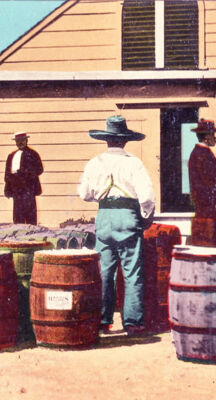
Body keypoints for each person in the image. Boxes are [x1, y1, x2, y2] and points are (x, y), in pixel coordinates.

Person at [77, 115, 155, 336]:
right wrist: (146, 216)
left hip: (104, 217)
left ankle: (103, 321)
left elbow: (83, 194)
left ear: (107, 140)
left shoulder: (95, 163)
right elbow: (147, 197)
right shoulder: (133, 162)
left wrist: (102, 199)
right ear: (125, 140)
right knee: (132, 272)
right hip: (128, 217)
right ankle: (133, 323)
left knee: (105, 272)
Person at [4, 132, 43, 225]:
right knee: (18, 214)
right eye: (18, 141)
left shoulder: (32, 154)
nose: (20, 143)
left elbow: (39, 169)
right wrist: (8, 188)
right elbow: (7, 174)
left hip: (28, 188)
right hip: (16, 189)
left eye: (22, 140)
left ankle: (32, 232)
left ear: (26, 141)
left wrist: (26, 173)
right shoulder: (11, 155)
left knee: (30, 214)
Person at [188, 118, 216, 218]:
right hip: (206, 201)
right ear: (207, 137)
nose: (214, 138)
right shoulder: (204, 154)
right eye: (213, 135)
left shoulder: (198, 152)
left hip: (202, 201)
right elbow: (210, 179)